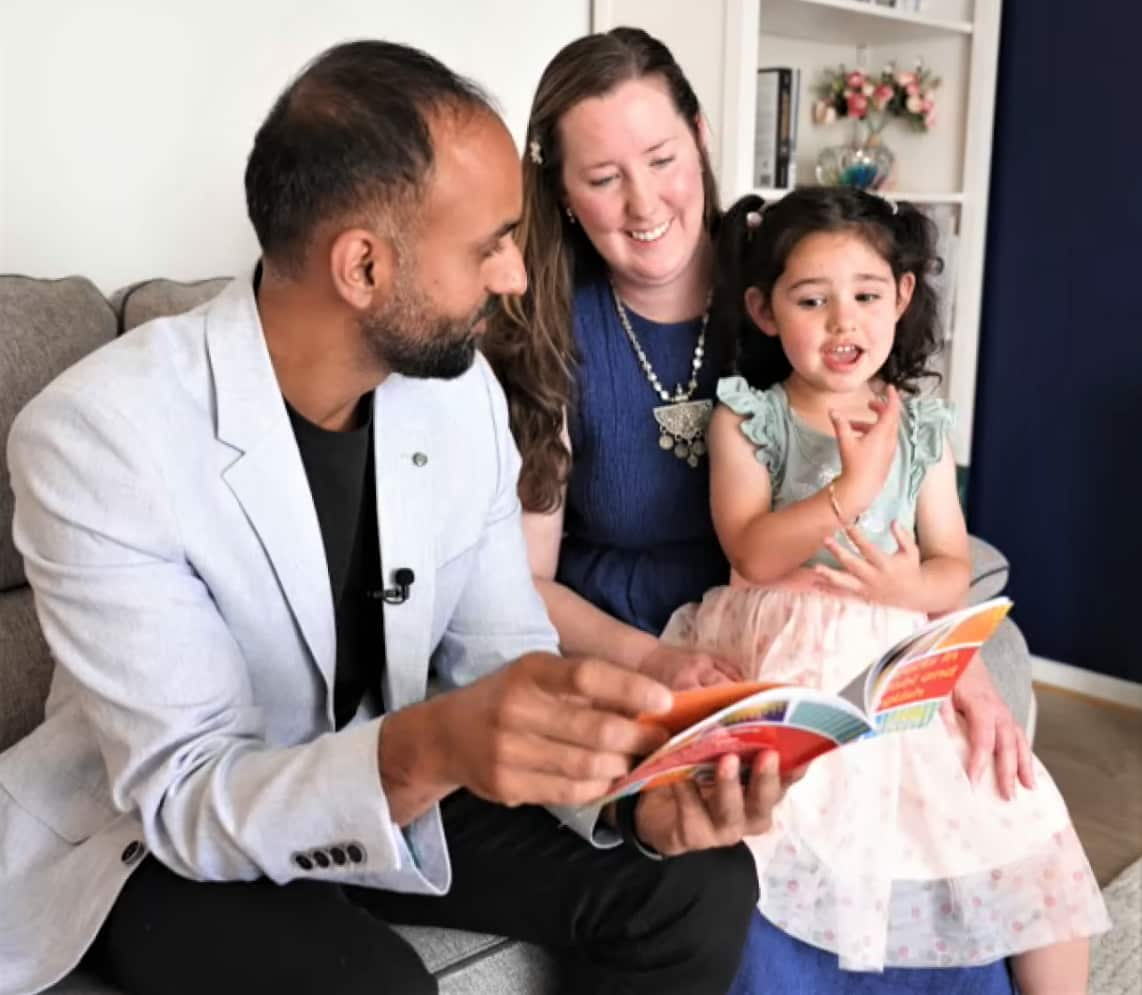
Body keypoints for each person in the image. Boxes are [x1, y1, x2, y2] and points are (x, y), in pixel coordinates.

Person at [0, 40, 792, 995]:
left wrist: (634, 804)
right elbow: (191, 795)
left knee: (695, 883)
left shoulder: (457, 397)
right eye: (489, 244)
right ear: (365, 265)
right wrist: (435, 745)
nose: (514, 277)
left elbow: (503, 661)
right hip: (162, 837)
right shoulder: (97, 435)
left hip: (398, 770)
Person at [487, 25, 1057, 995]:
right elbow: (520, 581)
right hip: (643, 645)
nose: (642, 203)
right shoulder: (547, 325)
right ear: (560, 192)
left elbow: (897, 479)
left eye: (661, 158)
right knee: (739, 850)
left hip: (829, 617)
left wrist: (940, 658)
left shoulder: (792, 275)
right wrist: (659, 662)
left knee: (972, 781)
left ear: (701, 139)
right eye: (601, 177)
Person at [661, 186, 1110, 992]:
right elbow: (751, 552)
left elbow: (950, 563)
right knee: (799, 819)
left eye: (867, 295)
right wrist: (851, 486)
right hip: (786, 650)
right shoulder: (748, 417)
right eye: (812, 299)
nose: (844, 323)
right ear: (765, 311)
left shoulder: (923, 425)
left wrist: (910, 582)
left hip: (896, 646)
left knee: (1021, 806)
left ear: (901, 297)